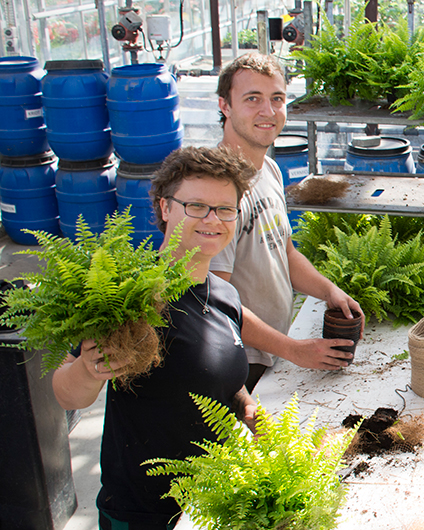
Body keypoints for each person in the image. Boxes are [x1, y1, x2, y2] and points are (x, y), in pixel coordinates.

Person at [50, 147, 327, 529]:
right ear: (165, 208)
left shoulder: (222, 291)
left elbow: (216, 361)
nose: (213, 220)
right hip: (146, 513)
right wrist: (89, 367)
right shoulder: (131, 294)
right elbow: (68, 393)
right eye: (196, 206)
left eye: (225, 209)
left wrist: (251, 410)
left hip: (212, 504)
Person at [211, 53, 364, 392]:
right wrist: (293, 349)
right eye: (252, 99)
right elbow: (212, 299)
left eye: (277, 99)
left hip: (272, 350)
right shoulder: (218, 188)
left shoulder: (268, 170)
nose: (268, 112)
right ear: (225, 105)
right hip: (238, 362)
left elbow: (285, 252)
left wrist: (329, 291)